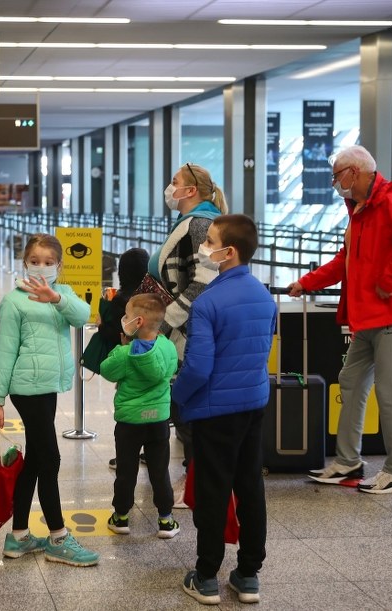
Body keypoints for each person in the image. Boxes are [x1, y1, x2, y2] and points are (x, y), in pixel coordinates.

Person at [290, 145, 392, 494]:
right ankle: (348, 463)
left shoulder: (388, 203)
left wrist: (389, 280)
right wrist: (306, 283)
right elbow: (346, 259)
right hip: (368, 318)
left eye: (336, 175)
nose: (334, 183)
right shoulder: (359, 209)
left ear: (354, 172)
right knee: (351, 381)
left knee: (389, 395)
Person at [172, 214, 276, 605]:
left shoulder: (209, 302)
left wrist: (177, 396)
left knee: (213, 491)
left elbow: (198, 367)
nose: (203, 246)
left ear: (227, 252)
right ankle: (248, 574)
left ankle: (206, 575)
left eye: (210, 240)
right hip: (253, 403)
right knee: (250, 485)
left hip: (215, 411)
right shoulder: (264, 296)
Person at [0, 233, 99, 567]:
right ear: (25, 263)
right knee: (50, 460)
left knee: (36, 460)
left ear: (59, 266)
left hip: (48, 386)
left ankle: (19, 536)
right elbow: (4, 352)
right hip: (27, 388)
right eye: (34, 261)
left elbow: (83, 316)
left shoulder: (61, 294)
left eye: (49, 263)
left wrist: (56, 298)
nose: (41, 268)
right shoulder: (14, 301)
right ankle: (58, 537)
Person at [151, 162, 228, 480]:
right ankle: (197, 478)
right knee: (183, 408)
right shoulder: (189, 222)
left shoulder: (199, 224)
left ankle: (201, 481)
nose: (170, 188)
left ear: (190, 190)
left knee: (187, 408)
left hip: (186, 332)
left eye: (174, 182)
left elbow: (204, 280)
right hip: (182, 330)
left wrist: (167, 321)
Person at [100, 293, 180, 538]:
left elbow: (106, 370)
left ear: (138, 322)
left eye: (127, 315)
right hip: (158, 420)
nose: (124, 318)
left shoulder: (125, 354)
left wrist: (123, 348)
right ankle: (166, 520)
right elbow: (172, 369)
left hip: (129, 423)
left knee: (126, 470)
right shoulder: (168, 347)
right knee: (159, 469)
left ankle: (121, 517)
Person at [92, 247, 152, 469]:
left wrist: (101, 326)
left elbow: (118, 333)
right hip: (152, 360)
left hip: (129, 363)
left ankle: (126, 457)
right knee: (152, 404)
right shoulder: (152, 298)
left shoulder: (122, 301)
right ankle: (150, 450)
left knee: (129, 410)